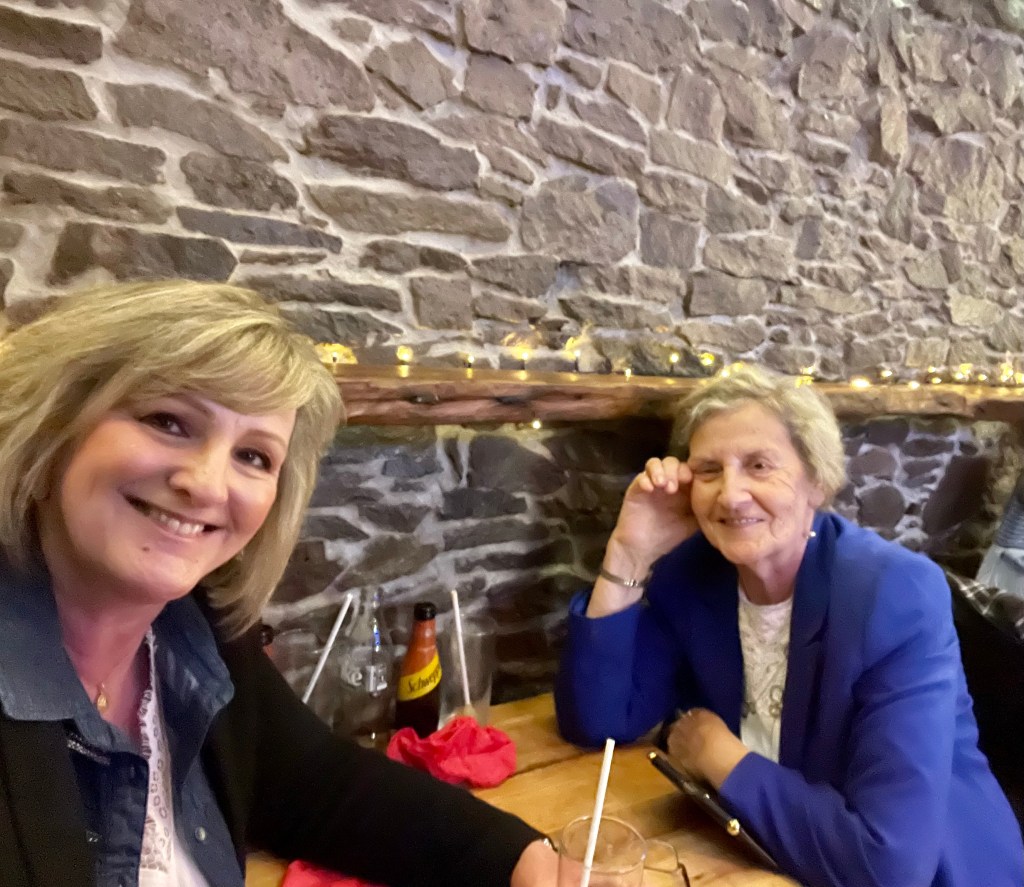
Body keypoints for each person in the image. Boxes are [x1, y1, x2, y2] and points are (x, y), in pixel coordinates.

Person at [0, 281, 557, 887]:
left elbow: (316, 782)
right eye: (168, 421)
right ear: (55, 425)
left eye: (254, 457)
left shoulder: (195, 628)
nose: (207, 485)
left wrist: (523, 858)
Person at [555, 364, 1023, 887]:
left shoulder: (894, 594)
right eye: (709, 470)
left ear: (816, 481)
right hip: (771, 854)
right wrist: (629, 553)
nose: (731, 494)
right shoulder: (692, 574)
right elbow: (598, 721)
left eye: (758, 465)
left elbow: (887, 864)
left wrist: (720, 757)